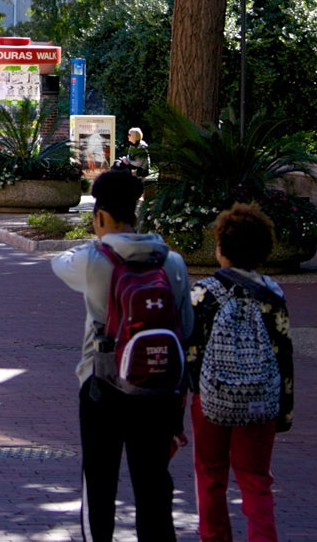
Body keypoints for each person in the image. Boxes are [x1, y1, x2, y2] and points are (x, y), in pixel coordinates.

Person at [51, 169, 194, 542]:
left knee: (99, 485)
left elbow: (57, 263)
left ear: (99, 216)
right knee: (153, 488)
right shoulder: (172, 263)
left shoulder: (93, 260)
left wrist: (93, 242)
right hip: (158, 388)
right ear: (137, 210)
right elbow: (187, 326)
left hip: (102, 385)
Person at [186, 203, 294, 542]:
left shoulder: (203, 294)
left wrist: (192, 391)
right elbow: (283, 354)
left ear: (221, 249)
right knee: (256, 479)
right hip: (260, 400)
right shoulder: (273, 296)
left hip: (211, 398)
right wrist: (284, 410)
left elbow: (191, 352)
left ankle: (213, 536)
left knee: (210, 474)